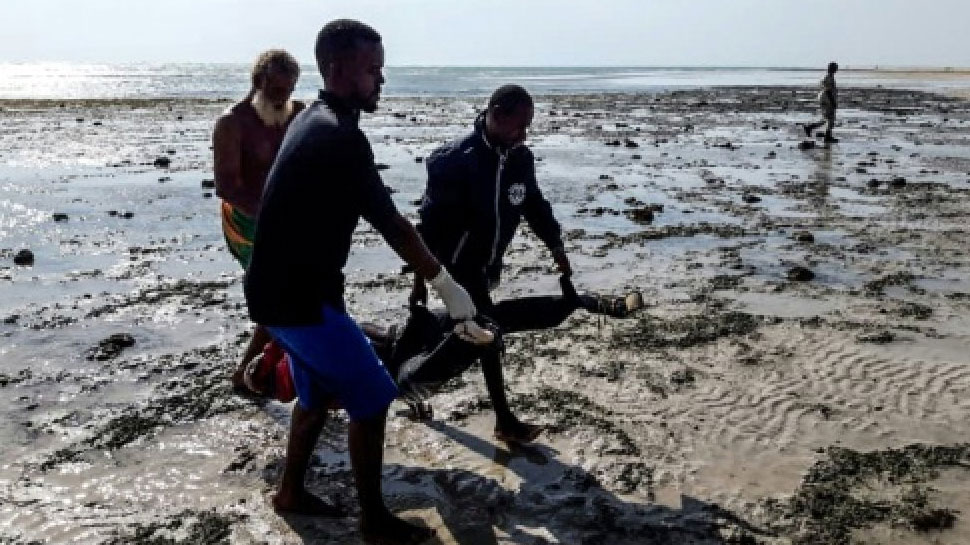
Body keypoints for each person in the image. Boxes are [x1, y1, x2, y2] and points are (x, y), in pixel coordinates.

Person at [243, 19, 477, 545]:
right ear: (338, 68)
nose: (381, 79)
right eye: (373, 69)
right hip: (299, 300)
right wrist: (448, 287)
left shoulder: (312, 120)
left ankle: (290, 493)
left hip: (281, 292)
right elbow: (394, 225)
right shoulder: (337, 136)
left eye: (381, 68)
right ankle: (374, 521)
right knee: (373, 396)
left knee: (317, 392)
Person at [410, 84, 640, 444]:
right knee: (485, 335)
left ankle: (407, 380)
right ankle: (504, 421)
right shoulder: (453, 161)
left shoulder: (520, 158)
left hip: (487, 266)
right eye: (520, 125)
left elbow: (533, 204)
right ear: (496, 115)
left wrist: (556, 245)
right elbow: (430, 225)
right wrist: (434, 278)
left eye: (528, 126)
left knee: (456, 331)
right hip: (455, 269)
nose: (524, 133)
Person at [212, 49, 304, 393]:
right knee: (276, 294)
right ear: (260, 82)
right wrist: (269, 214)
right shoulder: (232, 123)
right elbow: (227, 186)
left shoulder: (297, 113)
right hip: (247, 220)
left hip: (289, 216)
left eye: (290, 91)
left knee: (290, 293)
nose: (284, 99)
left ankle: (265, 369)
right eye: (278, 91)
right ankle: (249, 374)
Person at [802, 62, 839, 144]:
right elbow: (828, 90)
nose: (836, 70)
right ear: (831, 69)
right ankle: (827, 136)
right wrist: (833, 102)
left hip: (824, 98)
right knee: (830, 118)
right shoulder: (829, 78)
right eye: (835, 68)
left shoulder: (828, 77)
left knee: (826, 118)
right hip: (827, 99)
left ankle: (810, 127)